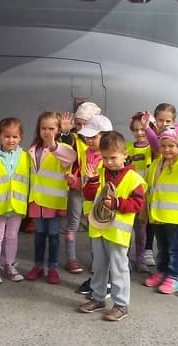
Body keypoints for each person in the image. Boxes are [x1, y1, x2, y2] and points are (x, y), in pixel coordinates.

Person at [78, 131, 147, 322]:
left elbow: (138, 203)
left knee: (119, 267)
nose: (108, 162)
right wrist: (92, 181)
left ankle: (121, 304)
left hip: (118, 232)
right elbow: (89, 195)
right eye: (105, 157)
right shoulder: (100, 173)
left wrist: (117, 204)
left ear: (125, 155)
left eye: (113, 158)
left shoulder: (133, 178)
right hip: (98, 228)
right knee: (99, 265)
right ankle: (98, 297)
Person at [142, 122, 178, 294]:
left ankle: (174, 276)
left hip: (174, 217)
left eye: (172, 146)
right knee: (162, 247)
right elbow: (149, 189)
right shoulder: (155, 164)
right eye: (164, 145)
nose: (167, 149)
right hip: (157, 215)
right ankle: (162, 271)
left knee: (174, 248)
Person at [26, 112, 76, 284]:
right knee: (39, 236)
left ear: (58, 130)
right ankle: (38, 265)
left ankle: (53, 268)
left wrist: (54, 144)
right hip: (37, 200)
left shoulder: (62, 149)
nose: (47, 132)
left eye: (51, 128)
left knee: (54, 237)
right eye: (43, 128)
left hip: (54, 202)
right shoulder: (33, 149)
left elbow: (70, 157)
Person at [68, 114, 111, 294]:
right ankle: (98, 279)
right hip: (91, 207)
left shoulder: (111, 157)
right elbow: (86, 181)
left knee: (107, 248)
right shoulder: (87, 153)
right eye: (87, 136)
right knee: (96, 248)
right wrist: (76, 182)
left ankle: (107, 282)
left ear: (106, 136)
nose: (89, 140)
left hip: (106, 209)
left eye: (93, 137)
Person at [0, 117, 30, 283]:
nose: (11, 140)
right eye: (7, 136)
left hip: (17, 205)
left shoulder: (26, 157)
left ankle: (10, 264)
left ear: (20, 137)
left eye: (15, 137)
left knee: (12, 236)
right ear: (0, 135)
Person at [60, 101, 101, 277]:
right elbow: (66, 142)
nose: (82, 128)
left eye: (86, 124)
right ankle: (71, 258)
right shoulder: (75, 139)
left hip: (95, 190)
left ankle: (96, 258)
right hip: (77, 187)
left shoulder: (102, 142)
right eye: (78, 124)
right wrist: (65, 132)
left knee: (94, 224)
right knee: (73, 223)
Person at [142, 103, 178, 268]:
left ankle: (170, 268)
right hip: (154, 182)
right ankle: (148, 248)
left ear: (174, 121)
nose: (164, 124)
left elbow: (157, 146)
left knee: (168, 233)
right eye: (160, 120)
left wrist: (147, 129)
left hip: (169, 189)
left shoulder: (175, 138)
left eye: (168, 121)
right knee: (151, 218)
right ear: (155, 121)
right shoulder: (155, 137)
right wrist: (147, 129)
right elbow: (155, 145)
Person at [126, 112, 152, 273]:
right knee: (127, 229)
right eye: (136, 130)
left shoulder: (152, 148)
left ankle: (140, 258)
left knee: (141, 230)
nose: (139, 133)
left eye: (142, 129)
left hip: (144, 195)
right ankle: (126, 258)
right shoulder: (128, 148)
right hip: (129, 195)